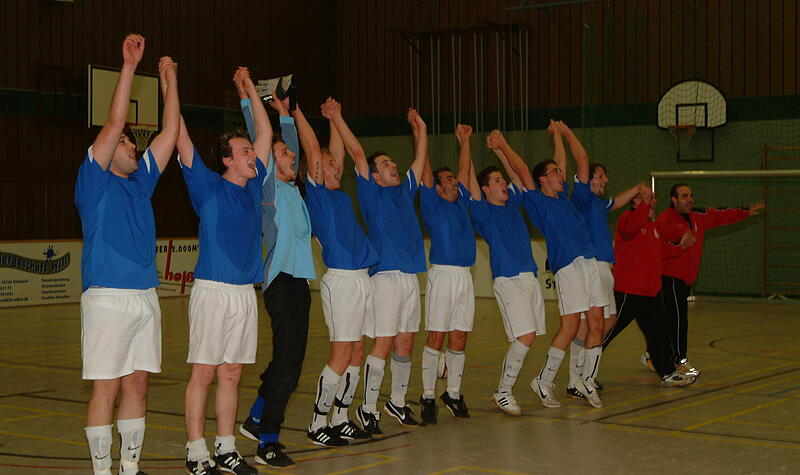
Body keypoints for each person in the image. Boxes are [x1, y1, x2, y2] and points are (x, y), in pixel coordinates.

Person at [75, 35, 179, 475]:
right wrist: (130, 67)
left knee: (138, 385)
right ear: (103, 149)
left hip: (145, 297)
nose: (133, 146)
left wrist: (170, 82)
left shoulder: (141, 183)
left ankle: (130, 468)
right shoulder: (93, 180)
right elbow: (116, 120)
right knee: (107, 388)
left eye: (133, 144)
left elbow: (170, 133)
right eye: (124, 143)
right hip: (107, 298)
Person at [176, 67, 265, 475]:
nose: (252, 155)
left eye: (251, 150)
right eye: (244, 151)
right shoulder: (208, 185)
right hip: (213, 291)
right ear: (227, 159)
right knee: (204, 373)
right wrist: (170, 86)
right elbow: (180, 136)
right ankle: (196, 452)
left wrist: (249, 90)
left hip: (245, 293)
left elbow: (265, 132)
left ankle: (226, 448)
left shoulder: (255, 186)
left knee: (232, 374)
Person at [327, 106, 428, 435]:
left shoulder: (404, 191)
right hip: (384, 277)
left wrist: (421, 129)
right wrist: (337, 118)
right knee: (382, 343)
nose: (393, 167)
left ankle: (397, 401)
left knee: (406, 343)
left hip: (410, 276)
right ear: (373, 175)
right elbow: (357, 152)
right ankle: (368, 407)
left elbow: (420, 158)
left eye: (393, 163)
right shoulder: (371, 192)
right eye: (385, 164)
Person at [498, 122, 608, 409]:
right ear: (542, 180)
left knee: (597, 323)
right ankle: (544, 380)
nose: (561, 174)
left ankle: (588, 379)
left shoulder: (567, 197)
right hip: (568, 267)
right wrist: (502, 146)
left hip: (589, 262)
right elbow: (522, 169)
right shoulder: (537, 201)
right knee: (570, 327)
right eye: (555, 172)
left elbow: (580, 160)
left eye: (560, 171)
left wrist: (562, 133)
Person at [237, 80, 315, 469]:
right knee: (288, 366)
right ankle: (267, 442)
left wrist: (285, 112)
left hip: (299, 283)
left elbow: (290, 143)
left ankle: (256, 418)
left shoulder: (294, 189)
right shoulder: (267, 189)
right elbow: (262, 138)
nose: (291, 155)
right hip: (280, 282)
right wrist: (246, 95)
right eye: (284, 153)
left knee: (288, 360)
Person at [295, 97, 377, 446]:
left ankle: (341, 417)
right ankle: (318, 422)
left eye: (334, 164)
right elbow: (314, 150)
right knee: (341, 354)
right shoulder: (316, 195)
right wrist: (296, 108)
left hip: (362, 277)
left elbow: (337, 153)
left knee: (357, 352)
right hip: (341, 279)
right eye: (328, 165)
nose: (335, 167)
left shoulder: (340, 195)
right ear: (314, 171)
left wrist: (333, 117)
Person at [467, 132, 546, 417]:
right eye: (497, 181)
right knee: (525, 336)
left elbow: (520, 174)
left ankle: (503, 390)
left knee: (528, 337)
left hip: (529, 277)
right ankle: (503, 391)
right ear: (485, 189)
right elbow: (470, 182)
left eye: (502, 180)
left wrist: (500, 150)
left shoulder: (512, 204)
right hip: (508, 279)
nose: (503, 183)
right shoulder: (483, 211)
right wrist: (466, 143)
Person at [653, 184, 764, 376]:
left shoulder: (698, 216)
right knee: (678, 320)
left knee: (671, 319)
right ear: (674, 200)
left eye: (690, 195)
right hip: (670, 277)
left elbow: (720, 214)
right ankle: (679, 360)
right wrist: (682, 237)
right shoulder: (665, 218)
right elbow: (666, 238)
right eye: (684, 196)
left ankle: (653, 354)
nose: (689, 199)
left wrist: (745, 211)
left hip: (686, 279)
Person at [565, 140, 645, 399]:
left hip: (604, 268)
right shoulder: (582, 199)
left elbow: (616, 202)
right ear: (587, 179)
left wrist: (637, 189)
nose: (605, 180)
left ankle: (582, 376)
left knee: (606, 322)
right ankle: (577, 379)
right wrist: (563, 132)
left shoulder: (599, 204)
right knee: (588, 325)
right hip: (592, 265)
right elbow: (582, 161)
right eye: (600, 176)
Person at [601, 189, 696, 386]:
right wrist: (644, 206)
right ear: (635, 201)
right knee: (607, 331)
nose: (652, 201)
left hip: (651, 293)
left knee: (660, 333)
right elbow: (630, 229)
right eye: (647, 198)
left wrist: (681, 247)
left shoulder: (652, 227)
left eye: (653, 198)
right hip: (629, 291)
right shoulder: (627, 219)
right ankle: (584, 370)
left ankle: (667, 372)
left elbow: (660, 250)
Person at [417, 124, 477, 423]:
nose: (455, 182)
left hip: (465, 276)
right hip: (442, 275)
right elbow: (425, 169)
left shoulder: (462, 201)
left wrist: (465, 140)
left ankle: (452, 393)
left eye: (454, 179)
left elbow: (465, 167)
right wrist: (420, 132)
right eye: (449, 180)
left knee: (460, 336)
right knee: (437, 335)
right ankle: (428, 395)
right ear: (438, 188)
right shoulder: (432, 203)